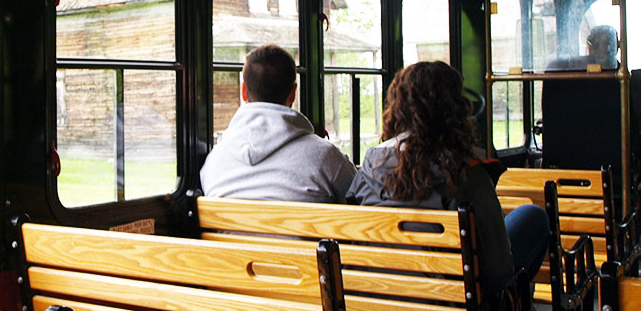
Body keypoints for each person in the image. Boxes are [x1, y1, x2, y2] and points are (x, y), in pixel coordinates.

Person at [346, 61, 548, 305]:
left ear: (398, 108)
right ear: (456, 110)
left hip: (380, 291)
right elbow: (498, 273)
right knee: (532, 216)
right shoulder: (467, 174)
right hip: (453, 298)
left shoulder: (369, 167)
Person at [200, 44, 356, 202]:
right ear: (293, 93)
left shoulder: (214, 160)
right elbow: (360, 200)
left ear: (244, 91)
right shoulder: (326, 157)